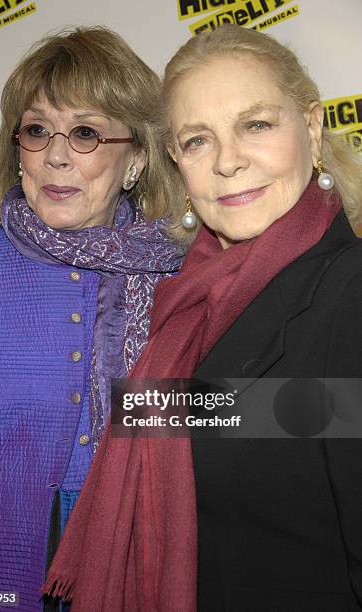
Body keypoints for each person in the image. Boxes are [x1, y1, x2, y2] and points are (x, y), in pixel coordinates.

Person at [44, 24, 362, 612]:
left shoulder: (349, 290)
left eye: (256, 125)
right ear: (176, 163)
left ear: (312, 129)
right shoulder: (184, 305)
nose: (228, 162)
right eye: (197, 140)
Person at [0, 26, 184, 611]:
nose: (56, 154)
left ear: (136, 158)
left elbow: (248, 426)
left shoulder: (184, 285)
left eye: (85, 133)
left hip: (137, 588)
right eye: (36, 130)